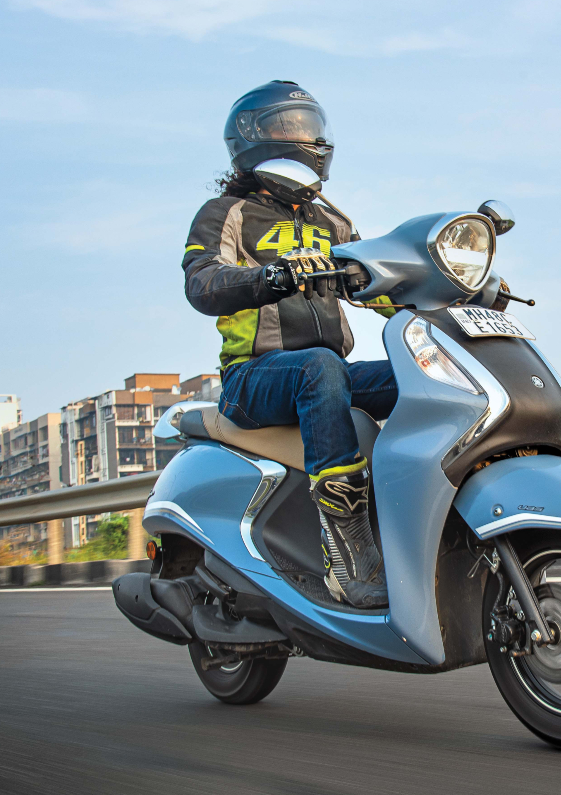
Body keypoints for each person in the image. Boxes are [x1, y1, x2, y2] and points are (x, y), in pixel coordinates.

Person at [180, 81, 396, 609]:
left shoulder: (332, 220)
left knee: (419, 376)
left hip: (325, 376)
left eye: (309, 127)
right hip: (253, 379)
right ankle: (346, 550)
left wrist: (456, 287)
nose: (304, 138)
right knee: (320, 367)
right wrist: (270, 278)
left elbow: (383, 284)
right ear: (254, 139)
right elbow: (201, 283)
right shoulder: (226, 212)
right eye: (287, 127)